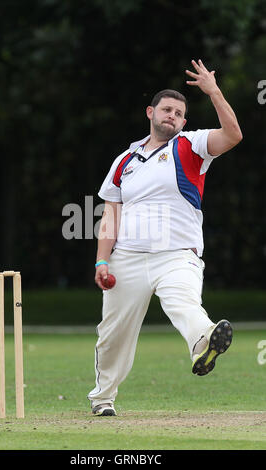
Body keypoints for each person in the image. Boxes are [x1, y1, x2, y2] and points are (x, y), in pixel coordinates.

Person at [88, 59, 242, 416]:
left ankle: (205, 341)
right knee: (113, 334)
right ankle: (102, 398)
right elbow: (110, 215)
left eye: (179, 112)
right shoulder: (124, 160)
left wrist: (213, 91)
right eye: (167, 109)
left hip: (177, 254)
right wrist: (101, 259)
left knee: (183, 303)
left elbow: (233, 135)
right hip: (127, 257)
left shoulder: (191, 145)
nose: (172, 115)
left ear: (184, 121)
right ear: (150, 112)